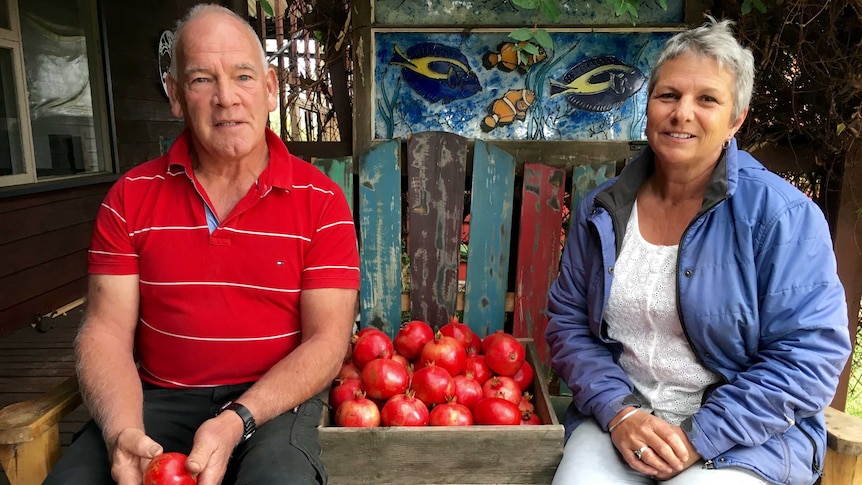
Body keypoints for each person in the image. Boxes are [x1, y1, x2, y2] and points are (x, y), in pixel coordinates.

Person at [44, 4, 359, 485]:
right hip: (159, 398)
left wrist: (238, 419)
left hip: (270, 401)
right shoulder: (129, 198)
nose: (226, 98)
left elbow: (327, 341)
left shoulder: (321, 201)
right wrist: (122, 430)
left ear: (271, 88)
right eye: (201, 80)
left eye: (243, 76)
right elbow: (105, 331)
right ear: (174, 96)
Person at [544, 17, 851, 485]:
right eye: (668, 95)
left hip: (747, 435)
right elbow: (568, 323)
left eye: (707, 99)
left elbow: (809, 354)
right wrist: (618, 412)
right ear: (648, 106)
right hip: (624, 421)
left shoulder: (781, 216)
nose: (682, 112)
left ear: (736, 119)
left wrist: (699, 436)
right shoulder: (604, 208)